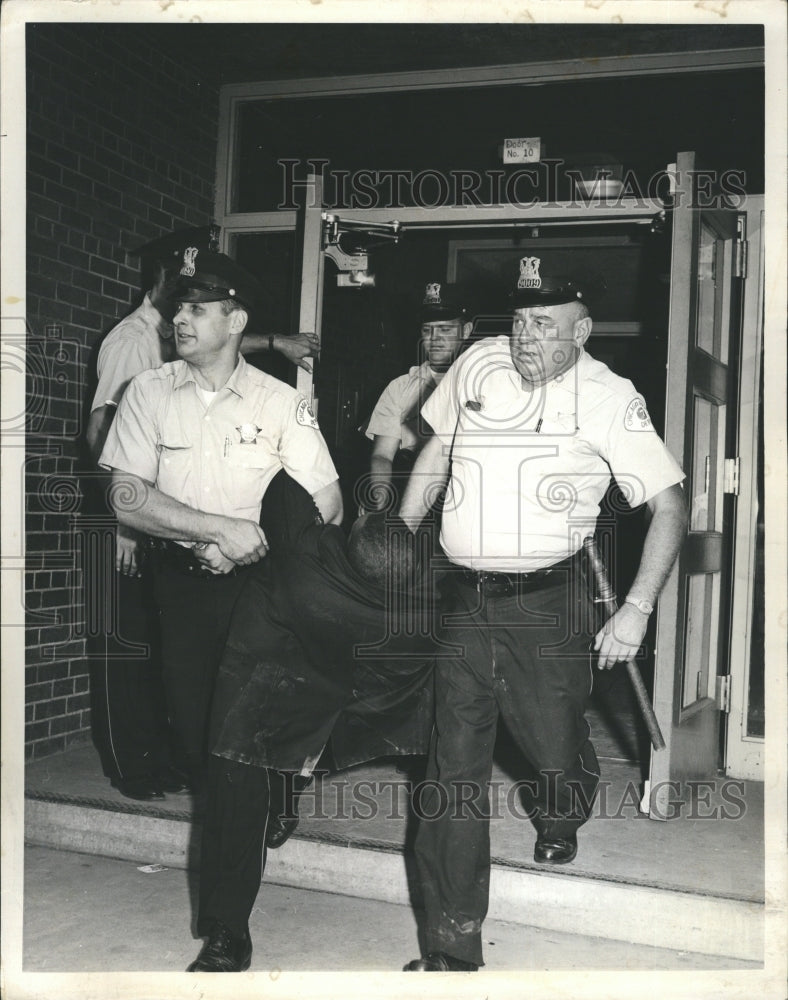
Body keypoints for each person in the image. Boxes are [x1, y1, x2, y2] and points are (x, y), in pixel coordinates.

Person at [398, 261, 688, 972]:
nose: (525, 338)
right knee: (451, 771)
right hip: (464, 599)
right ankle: (452, 942)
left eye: (545, 325)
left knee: (552, 745)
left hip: (548, 604)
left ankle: (565, 801)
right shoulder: (477, 364)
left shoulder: (611, 398)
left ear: (581, 331)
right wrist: (401, 537)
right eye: (520, 321)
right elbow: (437, 450)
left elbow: (671, 507)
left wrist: (636, 609)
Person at [84, 226, 320, 801]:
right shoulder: (142, 365)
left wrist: (253, 541)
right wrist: (184, 531)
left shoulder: (276, 399)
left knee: (256, 703)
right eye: (179, 306)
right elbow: (107, 447)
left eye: (196, 308)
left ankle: (264, 805)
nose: (180, 320)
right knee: (184, 702)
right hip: (175, 559)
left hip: (254, 575)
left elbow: (319, 499)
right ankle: (168, 779)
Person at [187, 472, 439, 972]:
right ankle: (288, 780)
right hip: (316, 676)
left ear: (346, 545)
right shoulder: (418, 609)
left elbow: (283, 483)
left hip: (276, 668)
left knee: (236, 789)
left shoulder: (306, 550)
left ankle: (227, 934)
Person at [363, 281, 472, 511]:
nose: (435, 339)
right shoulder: (400, 388)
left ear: (467, 331)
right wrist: (380, 497)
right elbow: (382, 456)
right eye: (427, 330)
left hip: (464, 501)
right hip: (411, 496)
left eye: (445, 329)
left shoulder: (481, 386)